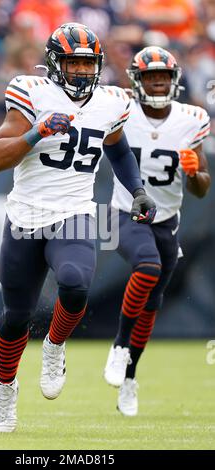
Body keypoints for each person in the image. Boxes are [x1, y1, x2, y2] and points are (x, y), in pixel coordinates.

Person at [0, 22, 156, 433]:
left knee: (76, 284)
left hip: (74, 212)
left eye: (87, 64)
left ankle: (54, 345)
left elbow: (117, 149)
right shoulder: (31, 93)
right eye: (73, 63)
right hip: (26, 215)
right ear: (55, 63)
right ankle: (5, 392)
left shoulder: (112, 101)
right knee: (15, 317)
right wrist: (36, 132)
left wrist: (137, 190)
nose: (81, 72)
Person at [104, 46, 211, 416]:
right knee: (146, 268)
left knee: (151, 304)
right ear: (137, 81)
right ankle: (119, 347)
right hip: (125, 212)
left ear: (174, 80)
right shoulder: (121, 112)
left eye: (163, 77)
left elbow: (201, 186)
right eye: (150, 77)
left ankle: (130, 377)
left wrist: (196, 171)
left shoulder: (191, 119)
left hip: (168, 219)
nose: (158, 83)